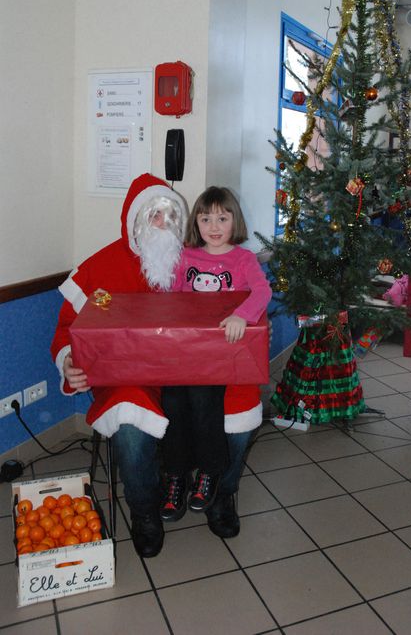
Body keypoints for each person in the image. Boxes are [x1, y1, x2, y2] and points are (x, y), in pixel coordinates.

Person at [51, 173, 187, 558]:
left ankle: (207, 491)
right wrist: (69, 362)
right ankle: (145, 513)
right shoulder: (100, 268)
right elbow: (65, 330)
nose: (165, 225)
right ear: (135, 219)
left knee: (215, 404)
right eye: (155, 216)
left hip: (178, 374)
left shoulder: (189, 265)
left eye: (171, 216)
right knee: (129, 427)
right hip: (124, 379)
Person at [160, 186, 272, 525]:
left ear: (234, 220)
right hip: (186, 354)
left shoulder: (243, 259)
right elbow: (173, 298)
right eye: (205, 218)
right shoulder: (185, 256)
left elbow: (263, 291)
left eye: (222, 218)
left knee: (204, 396)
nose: (213, 225)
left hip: (220, 357)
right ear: (196, 222)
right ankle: (176, 477)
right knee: (174, 400)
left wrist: (243, 314)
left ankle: (210, 473)